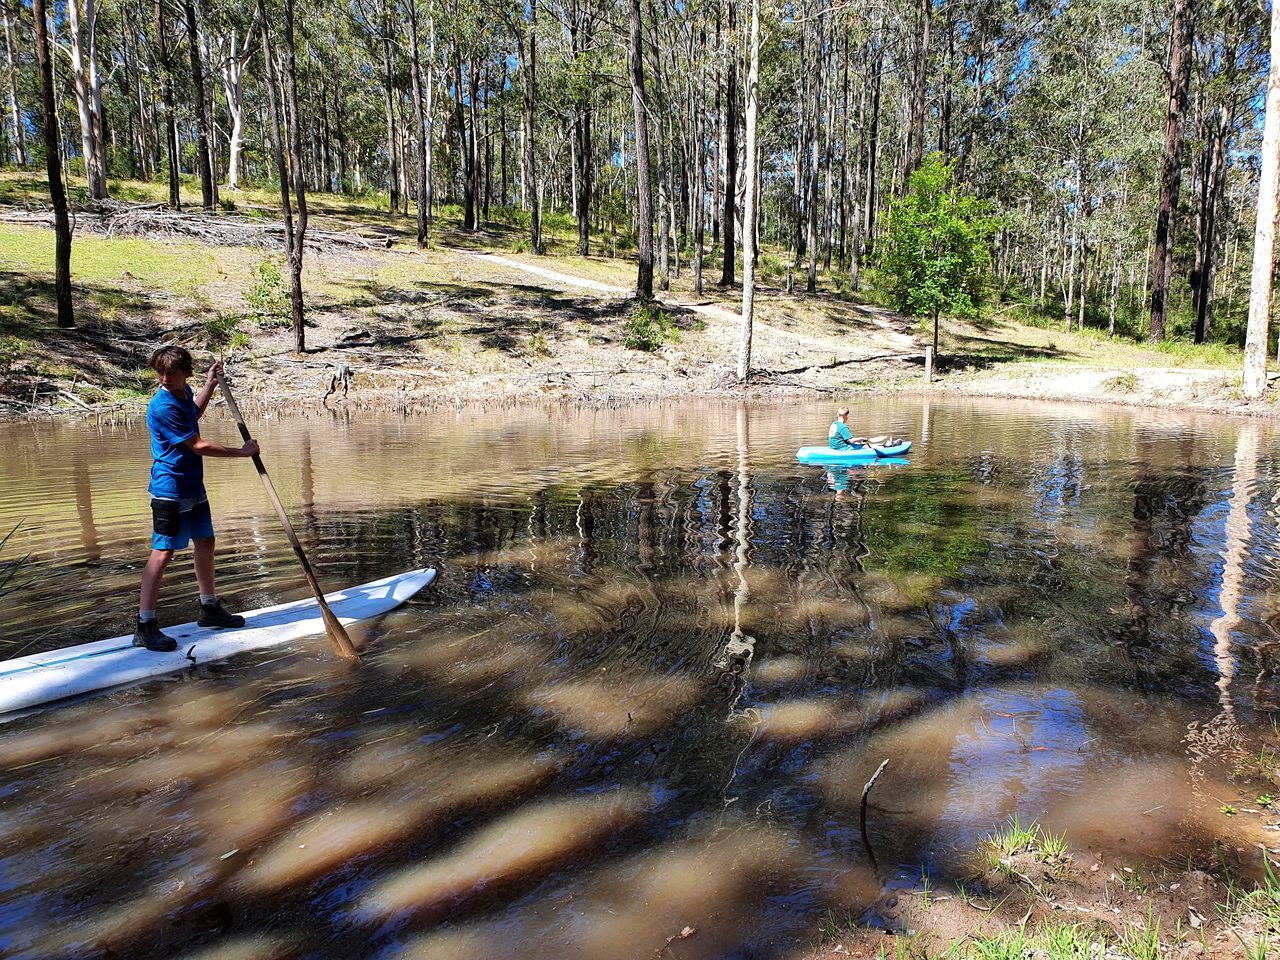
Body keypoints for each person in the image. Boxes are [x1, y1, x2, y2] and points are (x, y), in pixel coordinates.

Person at [135, 347, 259, 652]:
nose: (164, 379)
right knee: (162, 553)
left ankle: (209, 608)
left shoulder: (183, 392)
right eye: (160, 373)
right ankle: (145, 625)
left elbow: (194, 412)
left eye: (171, 374)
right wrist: (241, 453)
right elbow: (198, 445)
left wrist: (210, 384)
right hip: (170, 490)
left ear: (185, 373)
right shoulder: (162, 406)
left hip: (193, 487)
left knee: (205, 542)